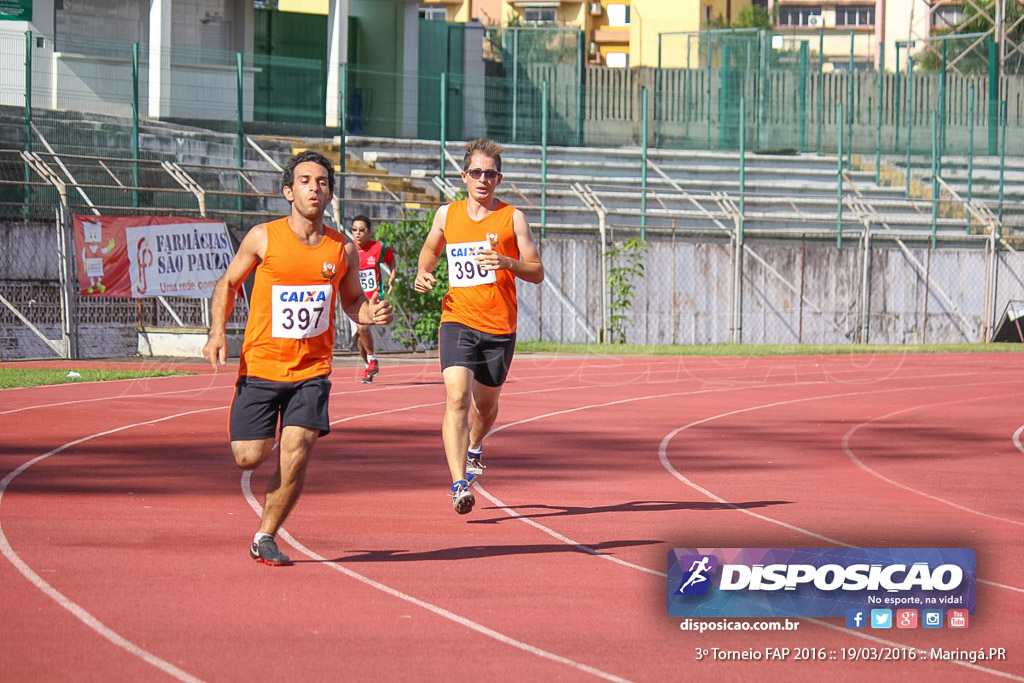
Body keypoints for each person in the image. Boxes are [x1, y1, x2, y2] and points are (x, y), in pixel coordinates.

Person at [203, 150, 394, 566]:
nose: (314, 187)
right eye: (305, 180)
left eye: (322, 182)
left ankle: (265, 535)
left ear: (329, 195)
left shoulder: (340, 248)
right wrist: (218, 330)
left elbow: (353, 303)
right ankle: (261, 431)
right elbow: (228, 283)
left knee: (297, 451)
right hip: (261, 366)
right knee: (249, 456)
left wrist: (371, 314)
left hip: (311, 371)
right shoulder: (263, 237)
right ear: (289, 191)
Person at [414, 138, 544, 514]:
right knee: (456, 397)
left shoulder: (513, 218)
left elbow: (537, 271)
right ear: (464, 176)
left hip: (499, 326)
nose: (482, 179)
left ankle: (475, 446)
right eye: (476, 172)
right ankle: (458, 484)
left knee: (485, 408)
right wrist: (424, 271)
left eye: (490, 173)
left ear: (498, 179)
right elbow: (430, 249)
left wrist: (507, 262)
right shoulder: (446, 215)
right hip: (457, 318)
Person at [350, 215, 397, 383]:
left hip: (374, 299)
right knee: (359, 338)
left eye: (362, 230)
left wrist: (392, 275)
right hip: (355, 299)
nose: (358, 234)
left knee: (362, 328)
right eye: (354, 230)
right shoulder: (348, 250)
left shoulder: (378, 248)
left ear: (369, 232)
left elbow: (391, 260)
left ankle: (372, 359)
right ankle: (369, 365)